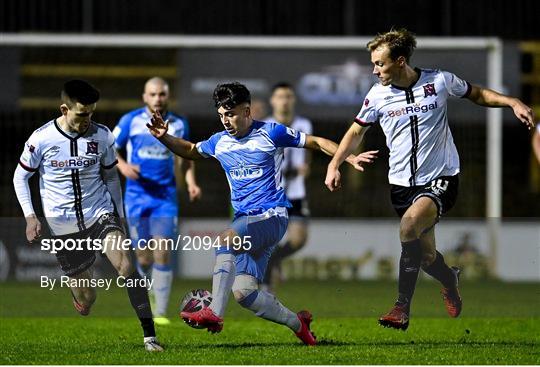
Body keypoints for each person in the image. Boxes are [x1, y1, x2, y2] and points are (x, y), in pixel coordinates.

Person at [325, 29, 536, 331]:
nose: (374, 70)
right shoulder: (376, 96)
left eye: (379, 64)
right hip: (400, 184)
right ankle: (450, 279)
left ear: (399, 61)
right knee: (425, 257)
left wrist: (512, 101)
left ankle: (401, 308)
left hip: (441, 177)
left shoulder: (438, 81)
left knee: (408, 225)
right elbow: (356, 131)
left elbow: (476, 93)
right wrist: (335, 164)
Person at [146, 82, 377, 345]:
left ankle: (215, 313)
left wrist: (346, 158)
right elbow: (189, 150)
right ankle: (298, 324)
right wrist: (164, 137)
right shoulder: (219, 142)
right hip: (247, 223)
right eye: (221, 115)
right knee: (245, 293)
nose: (226, 121)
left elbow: (316, 142)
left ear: (247, 110)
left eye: (231, 114)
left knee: (224, 240)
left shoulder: (271, 133)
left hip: (272, 216)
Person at [13, 80, 163, 351]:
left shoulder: (103, 136)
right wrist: (30, 216)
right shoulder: (41, 139)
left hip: (99, 213)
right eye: (81, 114)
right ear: (64, 109)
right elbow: (20, 177)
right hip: (63, 224)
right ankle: (80, 297)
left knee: (126, 266)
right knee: (88, 296)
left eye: (91, 113)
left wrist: (118, 215)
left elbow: (111, 177)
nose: (87, 120)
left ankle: (150, 337)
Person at [113, 77, 202, 325]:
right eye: (152, 94)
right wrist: (123, 166)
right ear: (144, 97)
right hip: (136, 196)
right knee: (143, 257)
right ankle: (150, 291)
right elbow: (109, 147)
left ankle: (160, 311)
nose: (157, 99)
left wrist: (192, 182)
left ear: (168, 95)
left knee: (162, 251)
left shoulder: (179, 123)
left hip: (165, 197)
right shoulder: (130, 121)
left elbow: (188, 156)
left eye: (161, 94)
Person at [262, 82, 313, 292]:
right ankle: (265, 286)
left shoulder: (304, 124)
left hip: (296, 192)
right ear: (272, 100)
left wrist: (307, 166)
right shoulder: (264, 126)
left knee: (299, 239)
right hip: (272, 193)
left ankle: (273, 261)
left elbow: (308, 151)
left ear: (294, 100)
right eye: (281, 96)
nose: (285, 100)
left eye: (289, 96)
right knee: (268, 240)